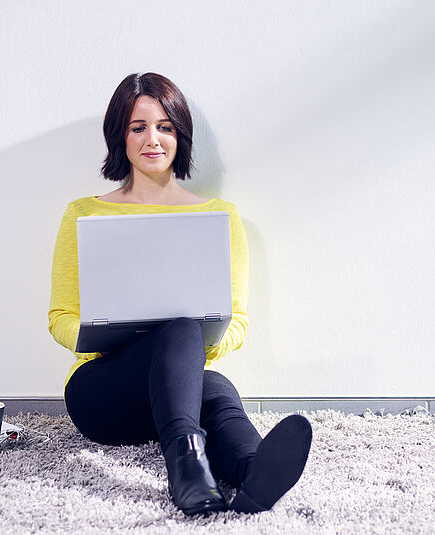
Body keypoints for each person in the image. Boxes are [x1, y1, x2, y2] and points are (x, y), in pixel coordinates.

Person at [47, 72, 312, 516]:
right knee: (181, 330)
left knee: (215, 386)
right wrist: (114, 336)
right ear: (121, 137)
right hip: (104, 395)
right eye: (138, 127)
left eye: (165, 126)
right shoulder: (84, 213)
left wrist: (189, 344)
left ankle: (251, 472)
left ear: (180, 136)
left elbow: (238, 321)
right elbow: (60, 316)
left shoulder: (219, 217)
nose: (153, 139)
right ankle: (185, 466)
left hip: (177, 392)